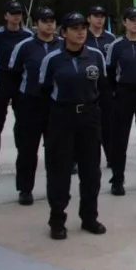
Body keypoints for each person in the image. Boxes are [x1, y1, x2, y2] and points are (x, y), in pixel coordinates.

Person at [39, 12, 107, 240]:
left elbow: (103, 88)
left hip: (89, 118)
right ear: (63, 32)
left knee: (91, 172)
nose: (80, 31)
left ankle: (89, 217)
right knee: (60, 172)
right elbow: (44, 91)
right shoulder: (53, 59)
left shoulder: (96, 56)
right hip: (63, 118)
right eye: (74, 27)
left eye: (83, 27)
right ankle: (57, 219)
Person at [7, 6, 62, 205]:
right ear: (36, 23)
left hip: (56, 105)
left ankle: (55, 188)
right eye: (45, 20)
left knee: (56, 151)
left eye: (52, 20)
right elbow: (12, 75)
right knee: (27, 150)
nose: (49, 24)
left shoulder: (63, 45)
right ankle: (25, 188)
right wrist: (18, 101)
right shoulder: (25, 46)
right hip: (30, 104)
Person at [106, 6, 136, 195]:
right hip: (124, 93)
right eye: (132, 19)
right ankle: (117, 179)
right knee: (120, 139)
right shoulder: (117, 46)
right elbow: (109, 73)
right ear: (125, 22)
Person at [0, 0, 33, 181]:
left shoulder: (28, 34)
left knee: (23, 126)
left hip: (20, 81)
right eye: (13, 13)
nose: (16, 16)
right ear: (6, 16)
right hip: (2, 80)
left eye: (19, 13)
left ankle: (23, 164)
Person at [85, 6, 116, 168]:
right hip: (85, 85)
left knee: (108, 124)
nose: (99, 19)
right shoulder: (83, 35)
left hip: (105, 86)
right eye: (96, 16)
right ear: (89, 18)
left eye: (102, 16)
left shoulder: (110, 38)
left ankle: (111, 156)